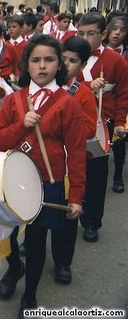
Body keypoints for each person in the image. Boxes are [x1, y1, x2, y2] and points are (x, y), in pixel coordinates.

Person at [0, 35, 86, 319]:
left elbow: (78, 153)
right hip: (10, 180)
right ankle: (13, 268)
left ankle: (30, 291)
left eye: (49, 60)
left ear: (59, 65)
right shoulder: (15, 100)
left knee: (35, 240)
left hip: (47, 183)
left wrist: (77, 197)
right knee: (5, 235)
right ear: (27, 66)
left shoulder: (67, 104)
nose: (42, 66)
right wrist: (21, 125)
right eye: (35, 60)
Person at [75, 13, 128, 242]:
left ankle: (91, 222)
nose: (85, 39)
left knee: (96, 177)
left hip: (102, 127)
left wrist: (119, 123)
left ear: (103, 34)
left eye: (91, 34)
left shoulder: (117, 62)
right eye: (81, 34)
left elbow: (123, 95)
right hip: (73, 124)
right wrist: (88, 85)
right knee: (71, 173)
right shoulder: (70, 56)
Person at [49, 35, 97, 284]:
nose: (67, 65)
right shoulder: (45, 86)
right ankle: (31, 242)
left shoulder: (84, 93)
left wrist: (65, 122)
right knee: (37, 205)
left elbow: (89, 128)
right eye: (63, 59)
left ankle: (62, 261)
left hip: (68, 165)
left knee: (66, 214)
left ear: (83, 65)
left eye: (73, 61)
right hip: (43, 161)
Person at [105, 15, 128, 193]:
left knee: (119, 143)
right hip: (100, 105)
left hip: (122, 103)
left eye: (122, 30)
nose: (117, 33)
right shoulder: (96, 51)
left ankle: (118, 175)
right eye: (115, 28)